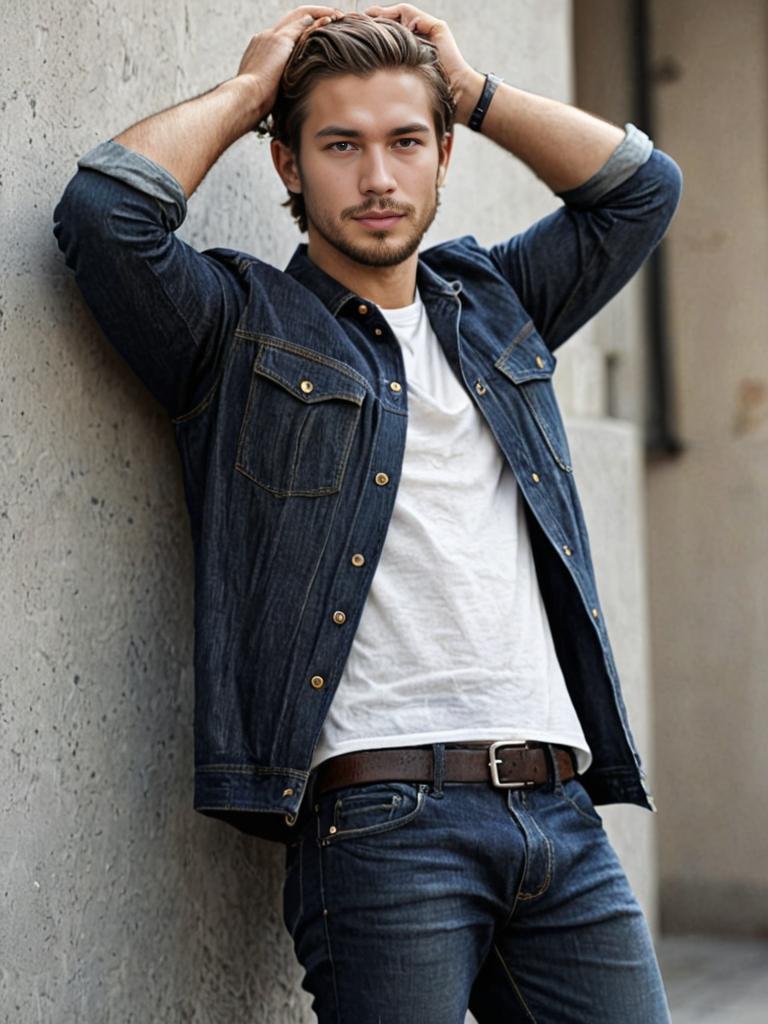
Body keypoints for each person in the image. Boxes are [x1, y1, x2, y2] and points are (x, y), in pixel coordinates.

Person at [54, 5, 682, 1021]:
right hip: (385, 828)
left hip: (561, 817)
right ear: (289, 166)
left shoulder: (495, 302)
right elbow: (105, 216)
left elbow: (640, 191)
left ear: (443, 155)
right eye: (339, 145)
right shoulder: (241, 327)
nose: (378, 178)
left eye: (404, 142)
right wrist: (253, 91)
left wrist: (473, 91)